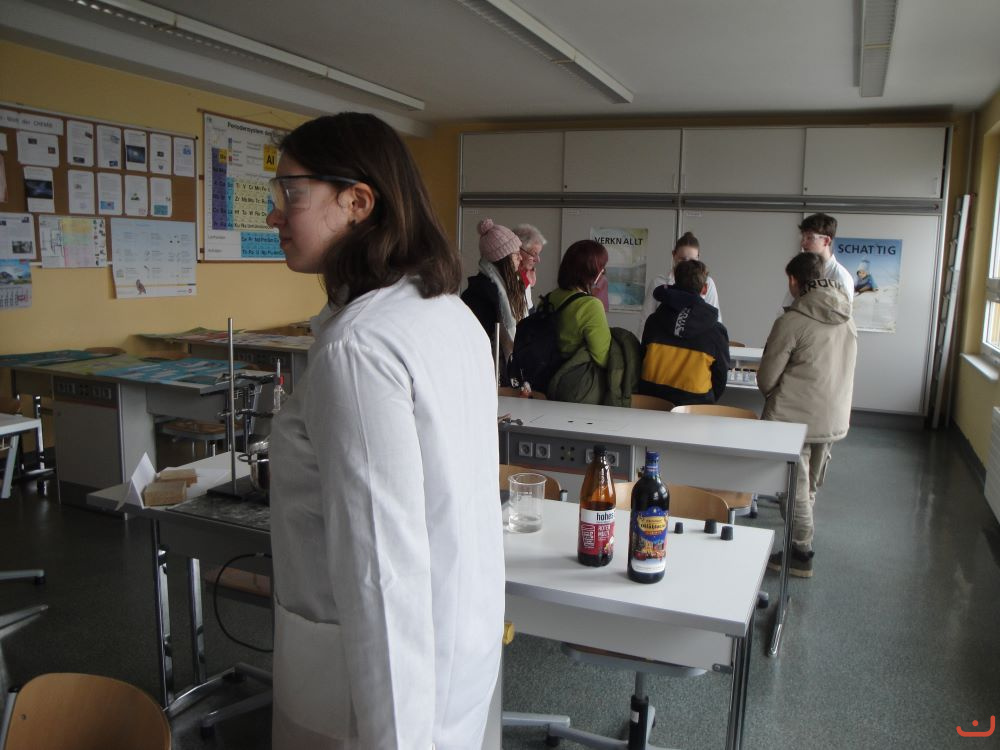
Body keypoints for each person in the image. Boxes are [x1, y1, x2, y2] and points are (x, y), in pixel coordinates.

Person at [265, 113, 504, 749]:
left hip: (378, 696)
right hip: (459, 649)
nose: (274, 214)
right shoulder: (449, 314)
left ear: (358, 203)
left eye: (292, 194)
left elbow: (382, 575)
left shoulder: (359, 348)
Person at [758, 252, 857, 578]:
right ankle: (798, 542)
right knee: (809, 487)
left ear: (794, 281)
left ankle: (801, 551)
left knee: (794, 488)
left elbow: (767, 378)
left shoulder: (792, 322)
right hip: (832, 416)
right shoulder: (847, 317)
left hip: (793, 418)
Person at [636, 259, 730, 406]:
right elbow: (720, 376)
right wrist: (707, 401)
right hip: (695, 408)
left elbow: (641, 360)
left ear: (675, 283)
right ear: (705, 289)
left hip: (651, 405)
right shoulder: (716, 331)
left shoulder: (653, 321)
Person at [461, 218, 529, 382]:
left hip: (501, 374)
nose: (520, 258)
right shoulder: (479, 295)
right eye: (516, 255)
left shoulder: (510, 289)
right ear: (503, 259)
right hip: (488, 376)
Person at [546, 239, 612, 368]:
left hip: (544, 373)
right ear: (592, 271)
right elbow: (603, 358)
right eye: (602, 268)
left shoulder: (550, 297)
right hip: (572, 376)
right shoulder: (591, 306)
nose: (603, 272)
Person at [638, 232, 720, 332]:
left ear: (698, 257)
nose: (687, 265)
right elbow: (645, 319)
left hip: (697, 339)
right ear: (674, 255)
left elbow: (715, 320)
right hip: (663, 339)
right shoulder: (658, 283)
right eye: (683, 260)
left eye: (692, 260)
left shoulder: (707, 283)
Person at [781, 213, 854, 310]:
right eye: (802, 237)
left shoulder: (840, 277)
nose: (803, 243)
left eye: (809, 238)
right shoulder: (802, 271)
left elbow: (842, 315)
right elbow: (786, 308)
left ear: (826, 241)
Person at [513, 223, 546, 308]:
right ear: (518, 250)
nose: (537, 260)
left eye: (538, 254)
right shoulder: (509, 278)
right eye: (533, 254)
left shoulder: (523, 274)